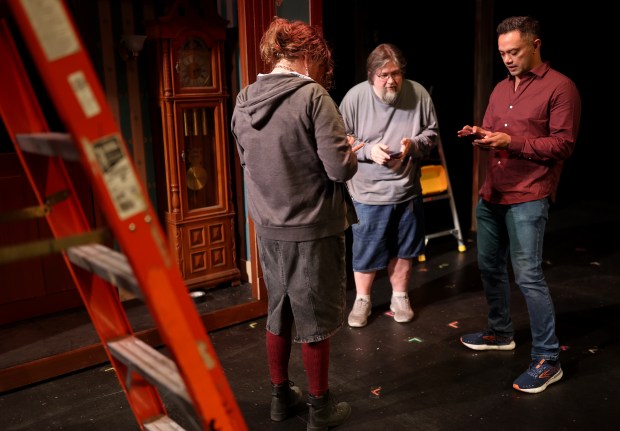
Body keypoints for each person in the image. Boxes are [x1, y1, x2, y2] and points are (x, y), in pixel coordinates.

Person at [230, 17, 357, 431]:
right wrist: (350, 150)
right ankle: (320, 409)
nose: (322, 73)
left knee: (279, 311)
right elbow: (339, 169)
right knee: (314, 319)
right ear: (308, 56)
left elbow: (248, 160)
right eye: (321, 64)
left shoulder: (244, 99)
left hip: (268, 226)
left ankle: (280, 397)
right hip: (312, 226)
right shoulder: (313, 96)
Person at [457, 16, 581, 394]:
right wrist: (481, 135)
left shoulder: (560, 87)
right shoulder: (499, 89)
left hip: (529, 194)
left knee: (528, 275)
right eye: (502, 53)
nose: (508, 59)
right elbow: (494, 131)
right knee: (489, 266)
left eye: (514, 51)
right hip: (493, 191)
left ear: (535, 45)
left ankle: (548, 359)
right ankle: (500, 332)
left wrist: (509, 142)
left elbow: (563, 144)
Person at [339, 43, 440, 328]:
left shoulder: (418, 93)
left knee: (405, 249)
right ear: (371, 75)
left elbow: (432, 133)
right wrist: (368, 151)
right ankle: (362, 299)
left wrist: (414, 145)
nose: (391, 81)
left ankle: (400, 297)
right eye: (383, 75)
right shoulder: (355, 98)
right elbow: (340, 138)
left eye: (396, 73)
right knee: (366, 250)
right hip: (368, 192)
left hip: (406, 190)